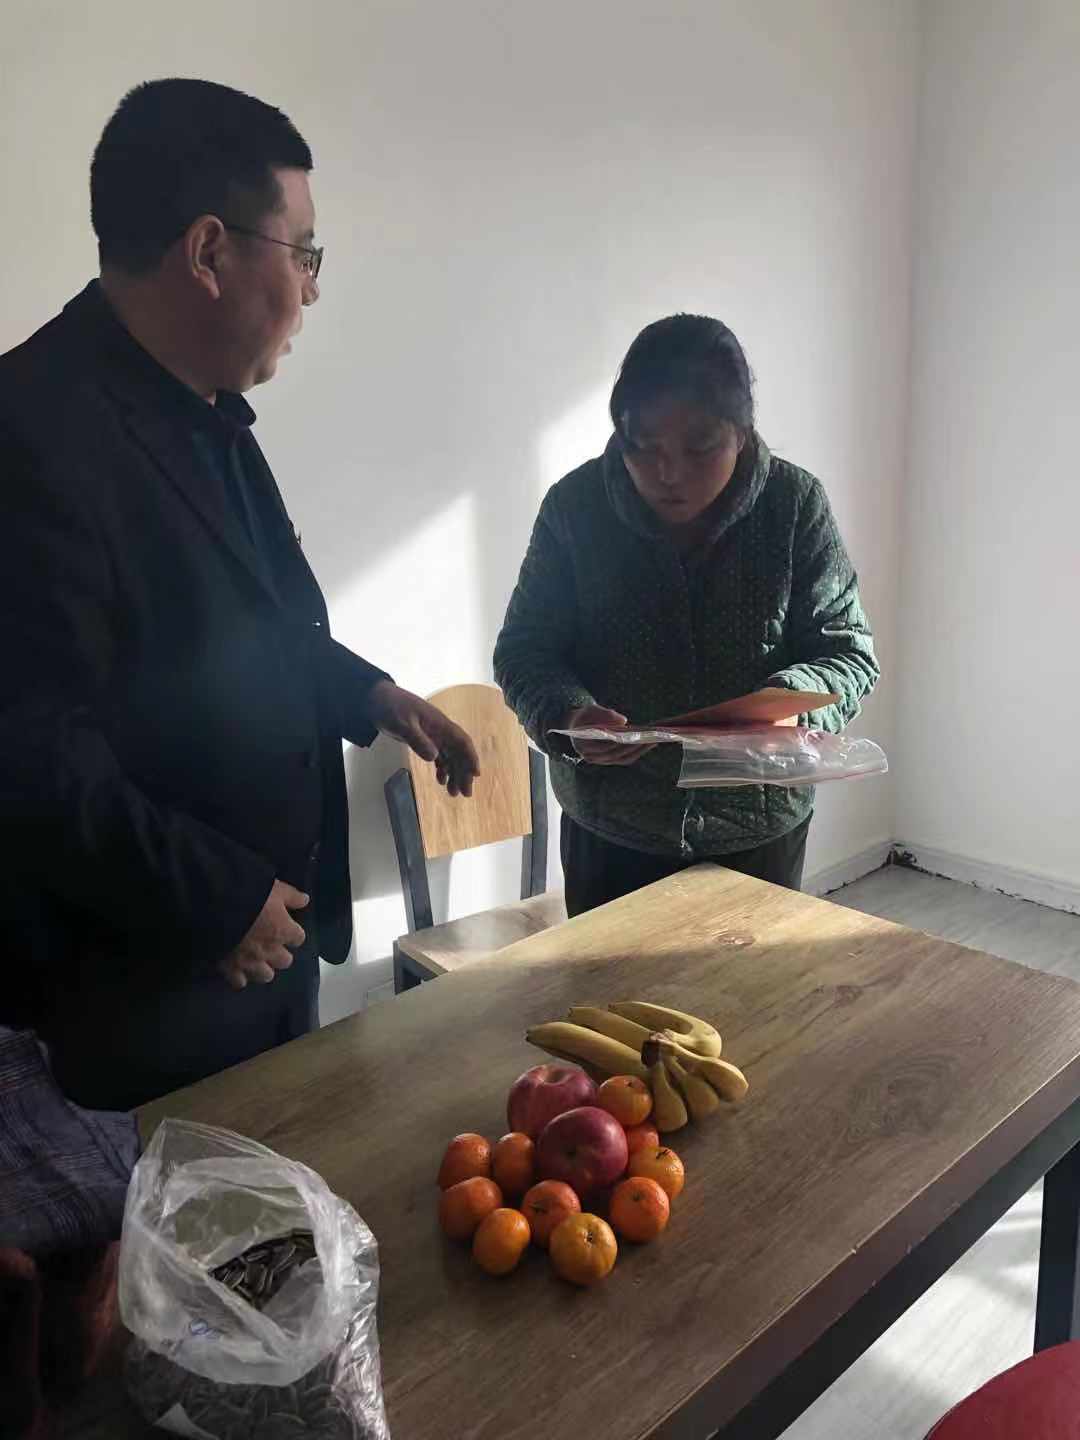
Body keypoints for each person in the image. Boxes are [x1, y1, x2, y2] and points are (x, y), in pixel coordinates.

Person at [0, 79, 479, 1109]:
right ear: (209, 253)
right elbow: (32, 758)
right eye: (303, 254)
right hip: (143, 993)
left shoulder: (200, 402)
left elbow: (248, 618)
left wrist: (370, 694)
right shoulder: (29, 431)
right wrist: (218, 902)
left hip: (266, 946)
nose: (312, 289)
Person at [495, 314, 879, 916]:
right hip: (612, 827)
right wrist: (569, 715)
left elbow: (847, 649)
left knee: (755, 978)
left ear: (742, 433)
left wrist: (791, 703)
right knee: (606, 980)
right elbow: (524, 648)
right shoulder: (575, 508)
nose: (668, 473)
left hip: (757, 825)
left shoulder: (793, 506)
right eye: (642, 447)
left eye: (700, 448)